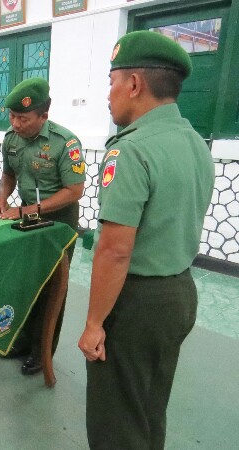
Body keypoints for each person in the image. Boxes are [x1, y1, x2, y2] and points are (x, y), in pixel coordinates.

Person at [77, 30, 215, 450]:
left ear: (134, 84)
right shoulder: (195, 142)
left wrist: (94, 324)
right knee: (149, 406)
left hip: (135, 303)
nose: (109, 95)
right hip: (179, 294)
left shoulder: (131, 151)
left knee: (116, 421)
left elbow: (115, 250)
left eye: (112, 82)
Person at [0, 77, 86, 375]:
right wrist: (2, 196)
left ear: (44, 116)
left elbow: (74, 190)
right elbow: (9, 174)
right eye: (12, 116)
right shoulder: (11, 138)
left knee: (52, 288)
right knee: (26, 282)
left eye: (23, 118)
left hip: (58, 221)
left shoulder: (65, 142)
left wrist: (28, 209)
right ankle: (21, 342)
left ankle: (42, 352)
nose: (16, 123)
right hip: (26, 217)